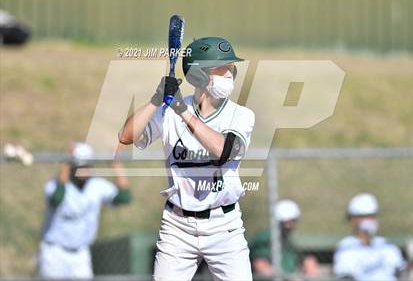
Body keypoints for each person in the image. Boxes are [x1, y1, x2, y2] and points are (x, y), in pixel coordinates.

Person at [119, 37, 255, 280]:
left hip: (224, 226)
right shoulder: (169, 113)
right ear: (199, 75)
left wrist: (183, 112)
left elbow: (223, 151)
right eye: (221, 69)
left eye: (230, 68)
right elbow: (126, 136)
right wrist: (155, 101)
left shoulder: (241, 115)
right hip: (177, 226)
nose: (230, 74)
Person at [38, 142, 132, 280]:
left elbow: (124, 197)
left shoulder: (96, 185)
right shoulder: (56, 185)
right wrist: (63, 171)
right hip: (54, 252)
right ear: (72, 166)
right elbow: (56, 199)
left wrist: (116, 166)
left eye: (88, 165)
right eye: (80, 165)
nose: (85, 169)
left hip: (81, 254)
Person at [333, 193, 404, 281]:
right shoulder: (346, 246)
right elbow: (346, 275)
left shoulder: (387, 245)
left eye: (372, 216)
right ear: (354, 219)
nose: (371, 221)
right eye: (365, 217)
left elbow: (400, 272)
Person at [250, 199, 320, 278]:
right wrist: (287, 278)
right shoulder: (264, 238)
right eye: (287, 222)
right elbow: (260, 265)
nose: (290, 225)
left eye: (293, 221)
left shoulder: (287, 241)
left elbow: (297, 261)